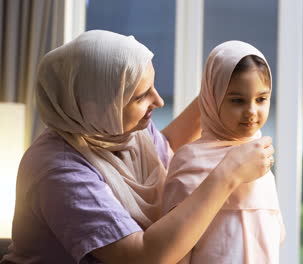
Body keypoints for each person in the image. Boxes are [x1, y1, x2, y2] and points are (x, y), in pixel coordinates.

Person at [0, 30, 274, 264]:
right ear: (99, 105)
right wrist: (228, 174)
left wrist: (221, 88)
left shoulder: (119, 132)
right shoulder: (58, 170)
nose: (158, 101)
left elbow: (163, 146)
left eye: (153, 87)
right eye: (141, 96)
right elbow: (143, 256)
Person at [162, 41, 285, 264]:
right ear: (211, 98)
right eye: (237, 100)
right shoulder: (189, 159)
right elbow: (177, 250)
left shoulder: (260, 156)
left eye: (261, 99)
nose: (251, 112)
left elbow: (275, 234)